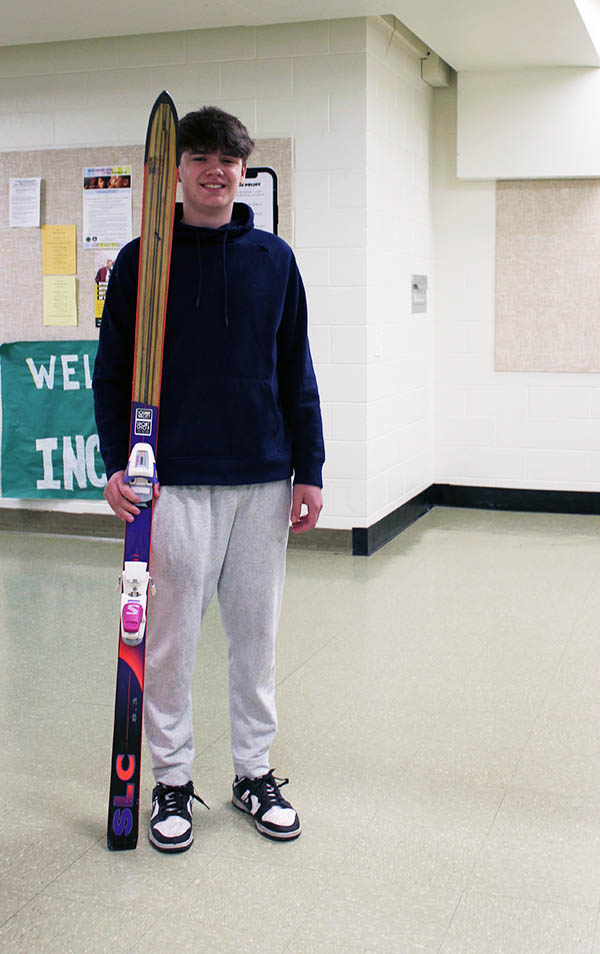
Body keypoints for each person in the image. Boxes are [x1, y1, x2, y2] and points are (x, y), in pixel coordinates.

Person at [93, 106, 325, 853]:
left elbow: (298, 371)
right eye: (200, 158)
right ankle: (170, 781)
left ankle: (253, 773)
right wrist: (111, 465)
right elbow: (113, 373)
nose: (215, 171)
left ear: (242, 169)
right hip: (175, 482)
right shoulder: (140, 262)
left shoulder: (274, 260)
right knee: (168, 641)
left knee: (255, 638)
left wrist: (309, 470)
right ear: (178, 169)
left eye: (228, 160)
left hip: (262, 477)